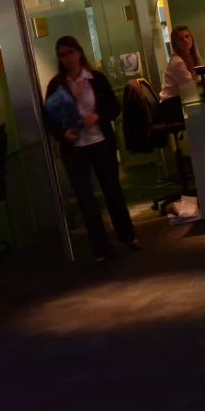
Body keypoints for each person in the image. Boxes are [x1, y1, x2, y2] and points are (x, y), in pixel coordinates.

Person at [45, 36, 138, 264]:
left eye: (70, 52)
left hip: (100, 141)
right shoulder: (57, 84)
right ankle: (100, 247)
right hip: (75, 148)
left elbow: (114, 107)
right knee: (85, 198)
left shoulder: (95, 79)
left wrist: (97, 116)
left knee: (112, 191)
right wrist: (63, 133)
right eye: (62, 54)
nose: (67, 58)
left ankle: (128, 236)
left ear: (79, 52)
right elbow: (49, 118)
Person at [158, 25, 201, 109]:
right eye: (180, 39)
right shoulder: (177, 62)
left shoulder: (191, 58)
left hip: (179, 102)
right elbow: (191, 87)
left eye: (187, 36)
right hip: (171, 106)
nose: (185, 40)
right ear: (176, 44)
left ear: (191, 38)